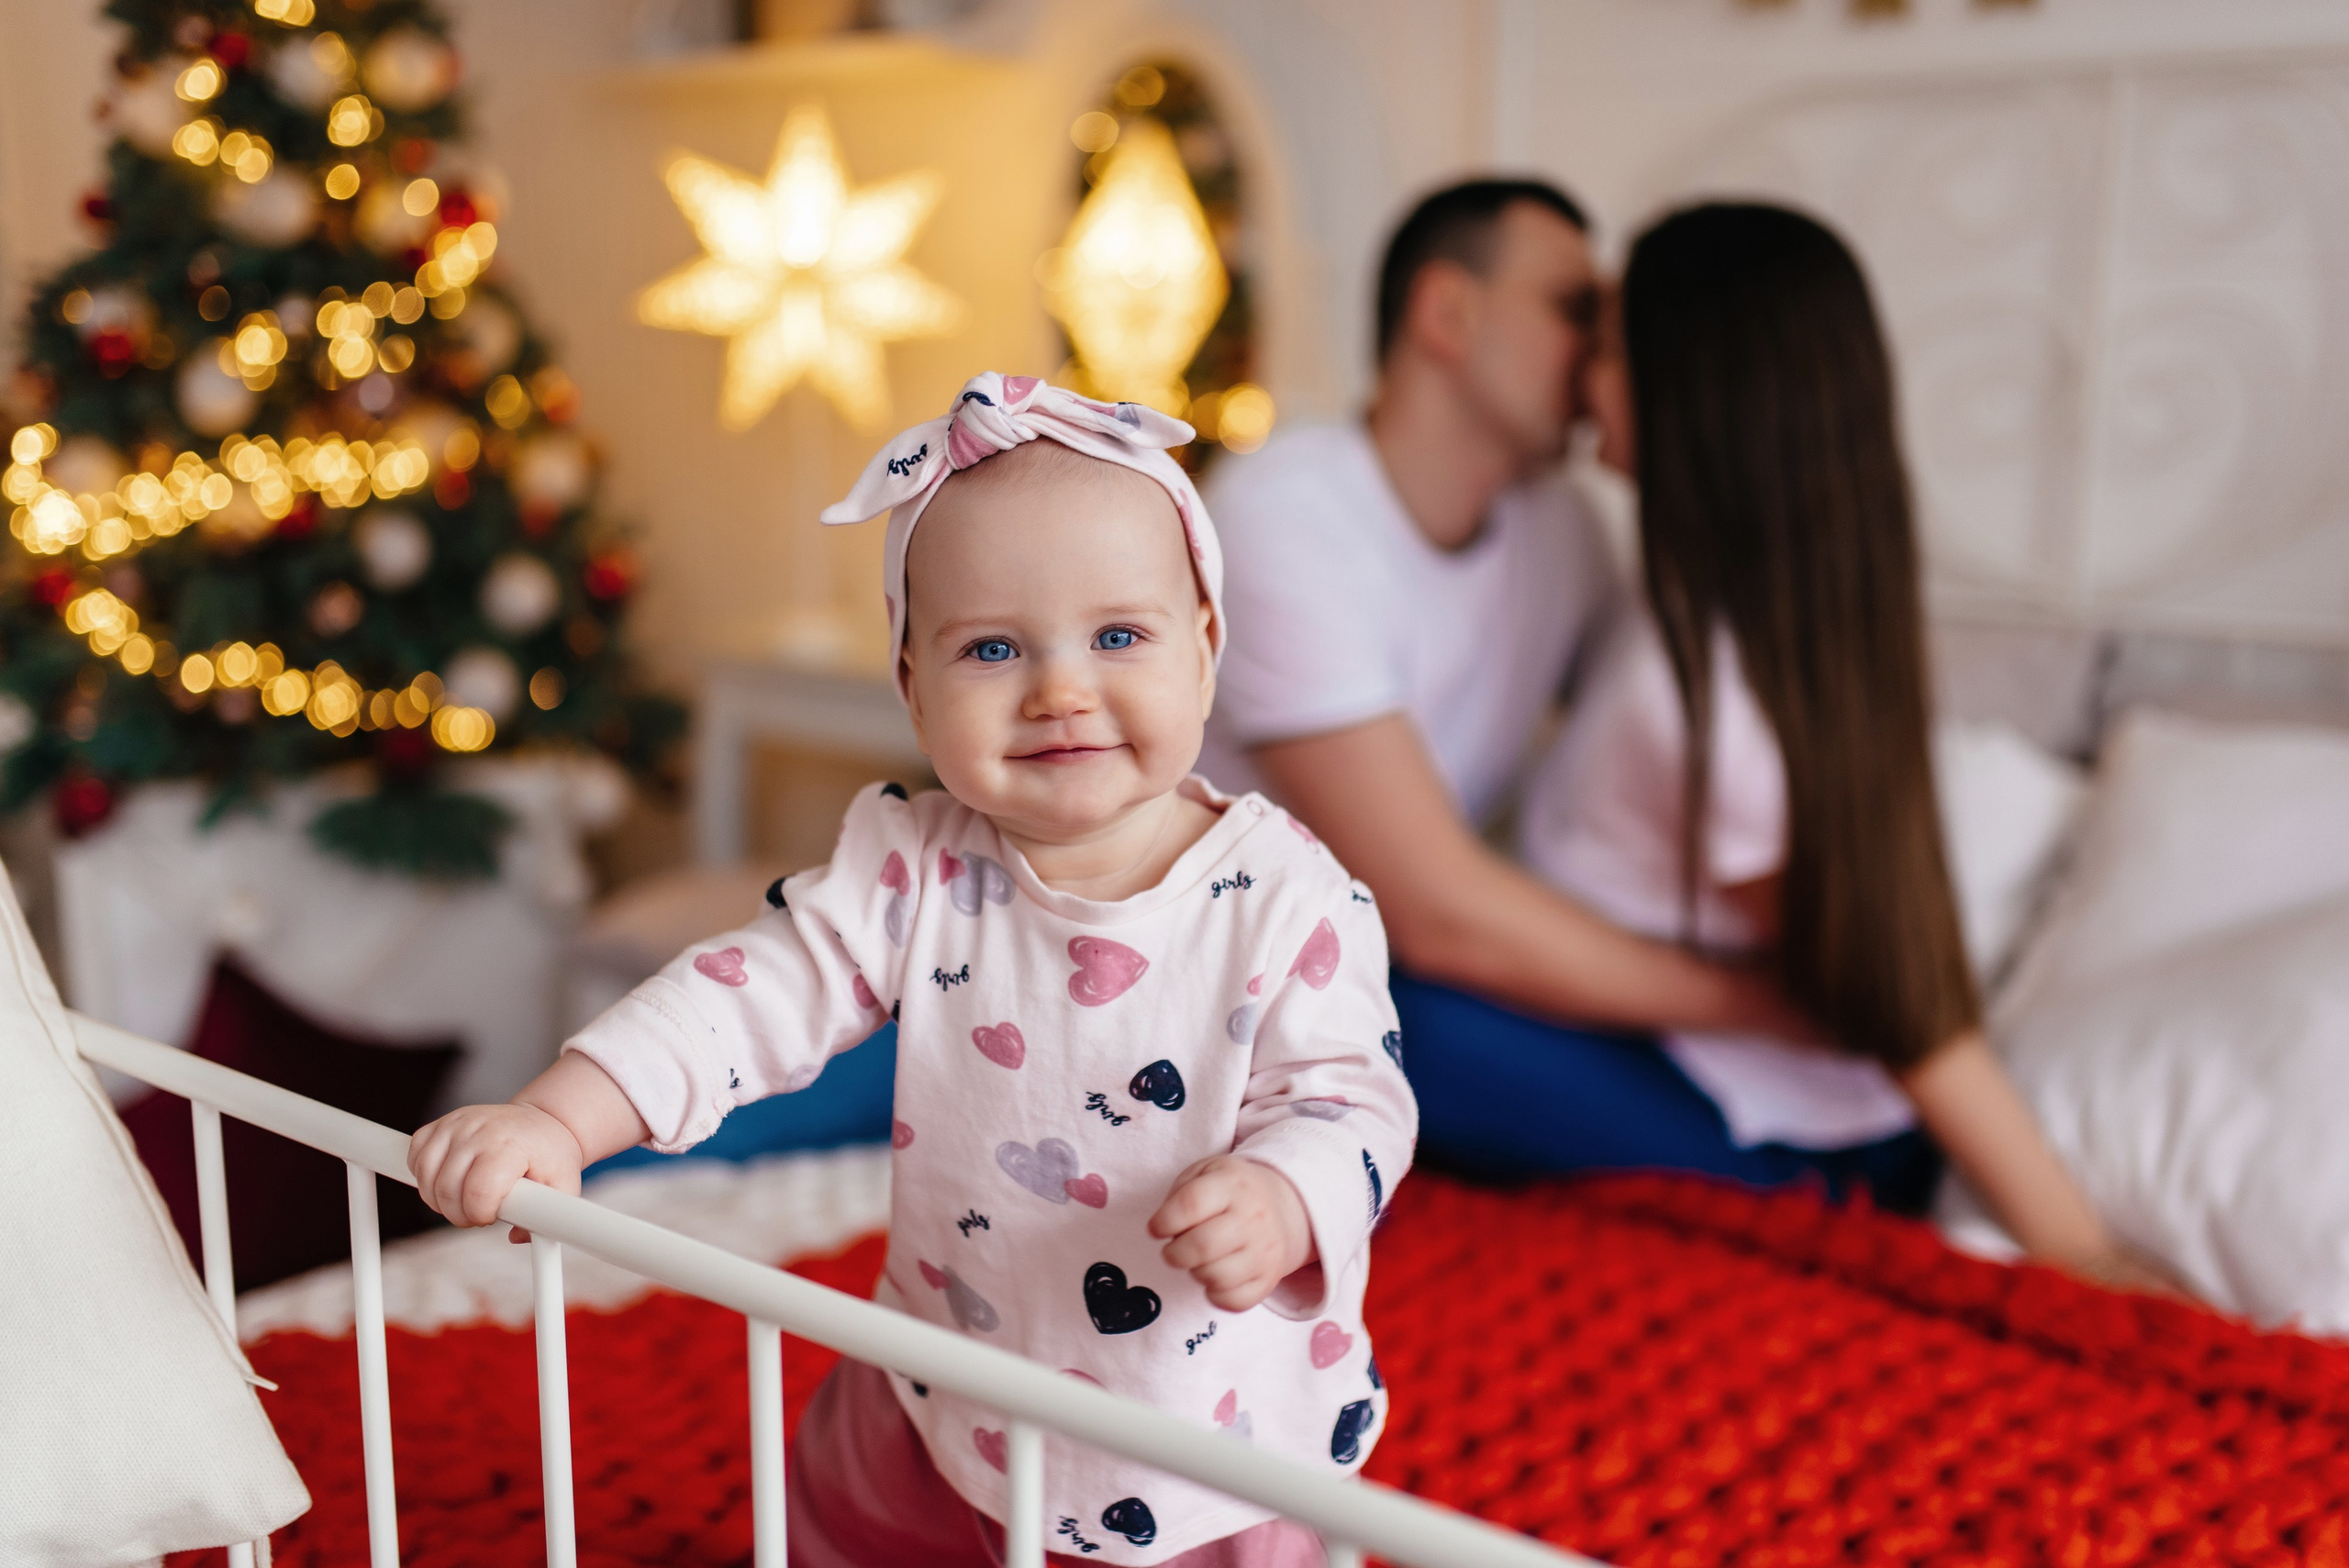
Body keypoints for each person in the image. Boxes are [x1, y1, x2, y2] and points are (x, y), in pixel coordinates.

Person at [406, 373, 1416, 1568]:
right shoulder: (914, 867)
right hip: (945, 1371)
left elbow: (1354, 1104)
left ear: (1204, 651)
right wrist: (559, 1119)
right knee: (838, 1524)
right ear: (913, 689)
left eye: (1118, 635)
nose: (1060, 688)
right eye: (992, 647)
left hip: (1190, 1432)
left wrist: (1286, 1195)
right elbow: (747, 992)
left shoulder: (1289, 896)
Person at [1503, 201, 2154, 1281]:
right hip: (1722, 1076)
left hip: (1786, 1133)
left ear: (1693, 385)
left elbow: (1892, 997)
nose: (1582, 381)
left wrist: (2078, 1250)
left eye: (1610, 347)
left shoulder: (1715, 695)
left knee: (1388, 1014)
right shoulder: (1711, 609)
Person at [1201, 179, 1813, 1173]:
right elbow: (1435, 910)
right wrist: (1762, 1005)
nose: (1600, 350)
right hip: (1176, 967)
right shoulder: (1286, 513)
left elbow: (1682, 731)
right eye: (1576, 310)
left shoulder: (1562, 526)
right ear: (1448, 312)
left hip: (1350, 988)